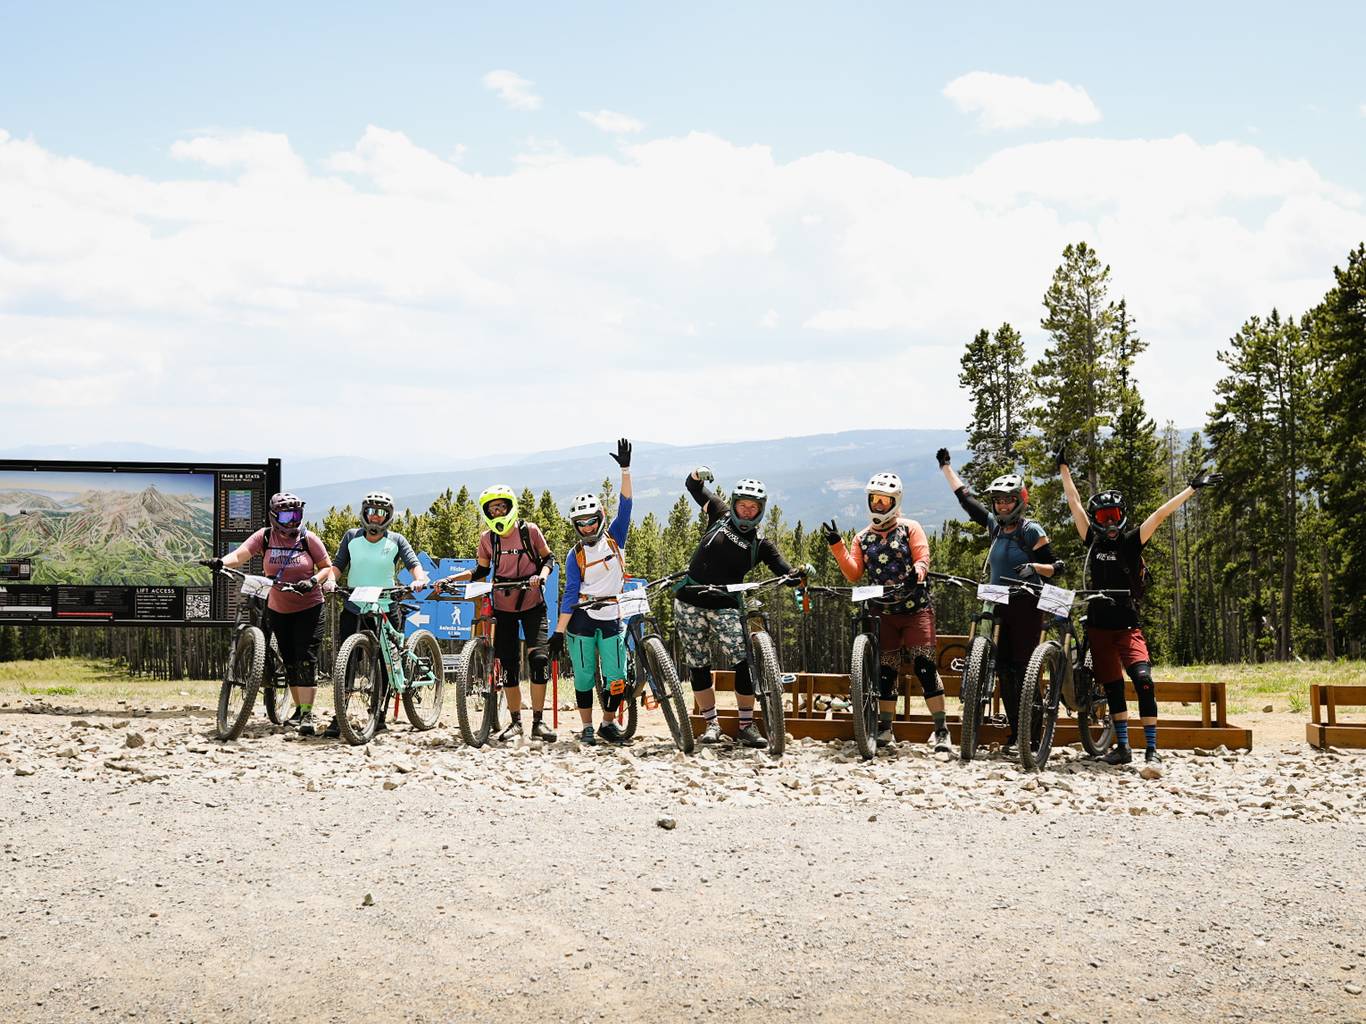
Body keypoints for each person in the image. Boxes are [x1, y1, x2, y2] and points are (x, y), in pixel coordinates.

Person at [1056, 441, 1221, 764]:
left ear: (1123, 516)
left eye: (1114, 515)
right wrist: (1063, 467)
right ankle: (1123, 747)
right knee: (1114, 688)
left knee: (1144, 681)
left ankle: (1152, 749)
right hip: (1099, 627)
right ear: (1097, 519)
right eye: (1104, 516)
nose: (1110, 522)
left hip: (1128, 625)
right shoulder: (1091, 539)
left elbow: (1160, 515)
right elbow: (1074, 503)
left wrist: (1191, 489)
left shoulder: (1132, 542)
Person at [937, 448, 1063, 753]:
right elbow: (967, 500)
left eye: (1007, 499)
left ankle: (1031, 736)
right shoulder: (995, 527)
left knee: (1022, 668)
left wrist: (1033, 568)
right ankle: (1016, 733)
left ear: (1019, 500)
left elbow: (1056, 568)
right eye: (998, 500)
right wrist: (946, 467)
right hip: (997, 601)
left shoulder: (1031, 530)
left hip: (1027, 603)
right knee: (1004, 669)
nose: (1002, 505)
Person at [674, 467, 810, 747]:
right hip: (689, 600)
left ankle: (746, 726)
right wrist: (697, 475)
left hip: (726, 607)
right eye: (743, 505)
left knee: (742, 663)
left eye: (753, 507)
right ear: (734, 504)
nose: (747, 511)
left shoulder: (761, 545)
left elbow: (785, 573)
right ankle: (711, 725)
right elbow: (694, 488)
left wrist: (800, 573)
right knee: (698, 665)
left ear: (760, 510)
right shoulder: (720, 512)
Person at [822, 471, 952, 753]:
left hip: (915, 608)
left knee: (924, 666)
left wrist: (916, 573)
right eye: (875, 499)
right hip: (881, 613)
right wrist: (837, 546)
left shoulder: (910, 527)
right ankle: (884, 729)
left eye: (885, 500)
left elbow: (923, 557)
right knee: (885, 671)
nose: (879, 505)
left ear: (895, 501)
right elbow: (854, 574)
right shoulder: (862, 537)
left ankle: (941, 730)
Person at [213, 493, 332, 735]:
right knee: (289, 659)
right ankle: (299, 711)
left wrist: (312, 581)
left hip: (309, 606)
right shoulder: (265, 536)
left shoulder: (309, 539)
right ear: (275, 516)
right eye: (287, 515)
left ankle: (307, 713)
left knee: (305, 657)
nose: (292, 521)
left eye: (296, 515)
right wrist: (221, 563)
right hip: (278, 608)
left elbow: (327, 567)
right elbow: (239, 554)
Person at [549, 440, 633, 746]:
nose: (586, 528)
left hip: (612, 617)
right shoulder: (575, 556)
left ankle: (608, 723)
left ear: (600, 518)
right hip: (581, 621)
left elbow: (626, 505)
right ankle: (586, 727)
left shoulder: (615, 538)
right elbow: (571, 594)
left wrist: (625, 469)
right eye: (580, 524)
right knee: (584, 677)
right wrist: (559, 632)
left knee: (616, 678)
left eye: (591, 522)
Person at [324, 491, 428, 735]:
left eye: (381, 513)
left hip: (385, 606)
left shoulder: (397, 540)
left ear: (388, 516)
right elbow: (337, 566)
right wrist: (330, 580)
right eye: (371, 511)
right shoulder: (351, 537)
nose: (375, 517)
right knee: (347, 662)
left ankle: (379, 714)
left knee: (385, 662)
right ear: (363, 513)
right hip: (354, 605)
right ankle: (340, 715)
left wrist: (419, 579)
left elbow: (414, 565)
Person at [465, 484, 557, 742]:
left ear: (509, 506)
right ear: (488, 512)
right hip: (503, 606)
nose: (497, 511)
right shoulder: (487, 539)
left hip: (532, 603)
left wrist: (542, 575)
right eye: (492, 508)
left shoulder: (530, 531)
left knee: (539, 660)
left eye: (501, 506)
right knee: (508, 666)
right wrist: (456, 577)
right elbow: (481, 571)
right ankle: (515, 722)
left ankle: (538, 722)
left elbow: (549, 559)